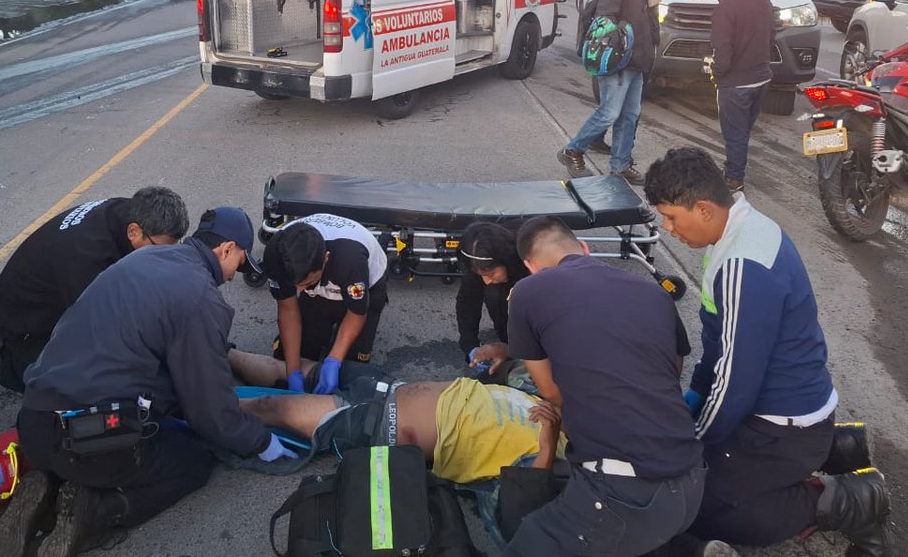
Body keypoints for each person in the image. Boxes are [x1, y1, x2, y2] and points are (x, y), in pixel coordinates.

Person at [0, 207, 297, 557]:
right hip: (84, 434)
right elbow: (210, 413)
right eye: (241, 264)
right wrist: (259, 442)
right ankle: (96, 510)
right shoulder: (199, 295)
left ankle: (50, 486)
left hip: (34, 416)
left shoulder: (147, 258)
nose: (235, 277)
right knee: (193, 461)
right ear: (227, 249)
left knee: (138, 430)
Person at [643, 148, 893, 556]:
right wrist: (694, 397)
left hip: (782, 424)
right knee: (699, 475)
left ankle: (853, 500)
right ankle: (841, 447)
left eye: (671, 217)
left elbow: (736, 382)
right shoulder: (737, 231)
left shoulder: (743, 264)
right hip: (788, 406)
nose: (668, 228)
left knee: (697, 506)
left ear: (704, 208)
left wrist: (694, 442)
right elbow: (718, 342)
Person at [486, 215, 706, 557]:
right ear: (585, 249)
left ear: (530, 266)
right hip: (693, 480)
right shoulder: (652, 292)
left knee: (525, 537)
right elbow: (671, 370)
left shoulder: (526, 293)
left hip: (625, 490)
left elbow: (552, 391)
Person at [0, 188, 188, 398]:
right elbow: (96, 327)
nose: (165, 256)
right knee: (63, 380)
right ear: (134, 231)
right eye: (159, 248)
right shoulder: (87, 259)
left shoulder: (133, 211)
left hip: (54, 283)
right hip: (25, 309)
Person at [230, 348, 561, 486]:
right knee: (293, 370)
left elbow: (522, 501)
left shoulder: (556, 454)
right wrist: (499, 350)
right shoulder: (547, 395)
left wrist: (547, 447)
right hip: (388, 385)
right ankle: (220, 351)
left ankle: (191, 405)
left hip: (380, 424)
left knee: (268, 407)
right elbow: (515, 364)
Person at [560, 0, 663, 185]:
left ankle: (620, 166)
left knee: (630, 115)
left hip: (637, 61)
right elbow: (605, 19)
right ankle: (573, 150)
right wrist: (622, 48)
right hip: (620, 61)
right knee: (609, 113)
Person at [257, 212, 389, 395]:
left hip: (367, 283)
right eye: (296, 286)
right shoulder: (276, 255)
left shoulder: (350, 261)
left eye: (306, 283)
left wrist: (334, 360)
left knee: (353, 370)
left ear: (326, 258)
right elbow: (288, 309)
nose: (300, 290)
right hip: (321, 289)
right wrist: (293, 372)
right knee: (297, 351)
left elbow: (357, 312)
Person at [708, 0, 773, 193]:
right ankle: (733, 170)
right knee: (743, 130)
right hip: (761, 78)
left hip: (736, 83)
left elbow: (722, 46)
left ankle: (734, 178)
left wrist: (718, 73)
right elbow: (771, 36)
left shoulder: (726, 5)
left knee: (735, 133)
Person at [455, 222, 527, 365]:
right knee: (493, 292)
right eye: (480, 275)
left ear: (505, 261)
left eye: (491, 273)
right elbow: (467, 304)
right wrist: (471, 349)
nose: (486, 281)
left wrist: (514, 352)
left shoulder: (529, 264)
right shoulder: (477, 265)